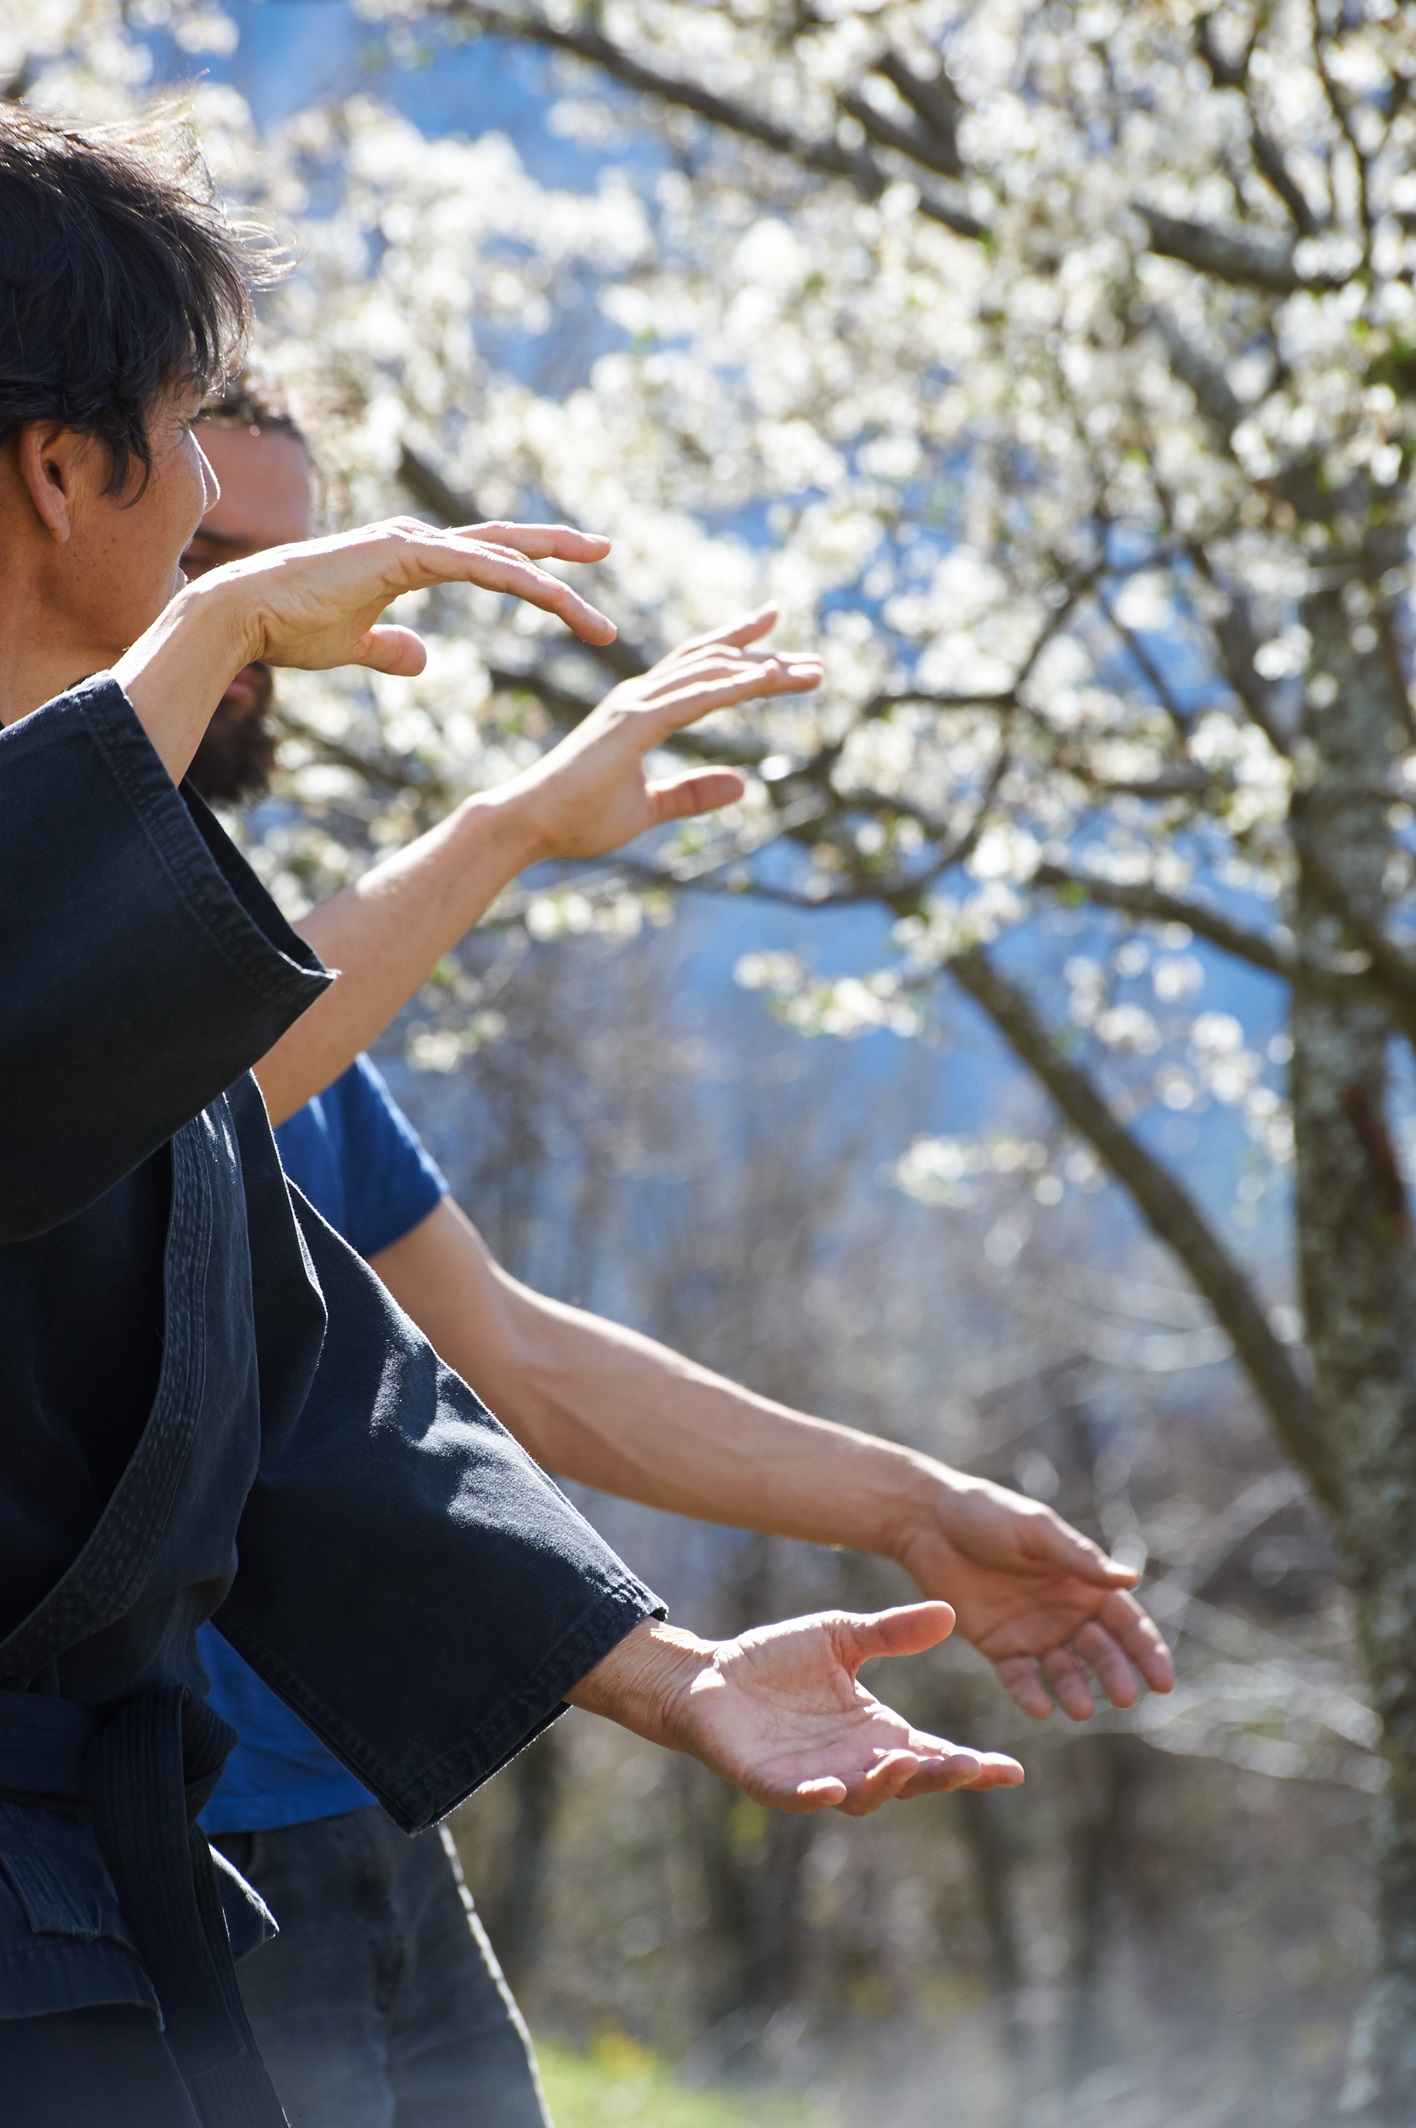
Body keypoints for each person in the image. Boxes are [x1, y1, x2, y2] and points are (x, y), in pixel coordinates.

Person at [0, 107, 1033, 2128]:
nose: (225, 513)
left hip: (99, 1940)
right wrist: (206, 645)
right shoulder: (98, 944)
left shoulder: (147, 964)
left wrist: (684, 1673)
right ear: (60, 468)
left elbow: (324, 1399)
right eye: (190, 441)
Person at [173, 393, 1177, 2127]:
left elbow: (517, 1356)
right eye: (210, 569)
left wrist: (910, 1507)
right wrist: (501, 831)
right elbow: (122, 1088)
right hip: (162, 1860)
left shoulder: (271, 946)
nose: (263, 628)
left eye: (287, 565)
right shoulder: (107, 947)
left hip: (363, 1802)